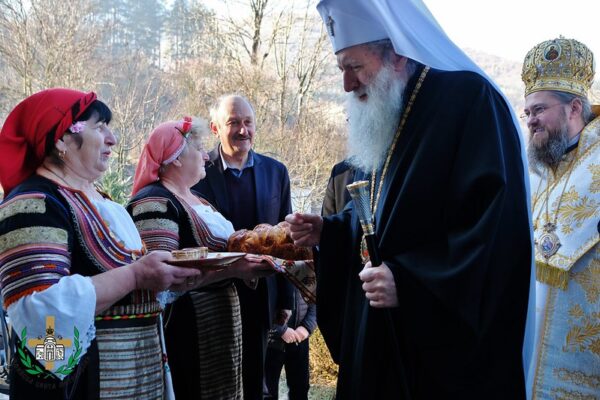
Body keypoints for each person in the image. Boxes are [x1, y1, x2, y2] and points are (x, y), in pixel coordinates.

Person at [286, 0, 533, 398]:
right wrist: (330, 231)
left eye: (354, 66)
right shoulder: (389, 105)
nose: (347, 85)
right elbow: (379, 209)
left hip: (435, 354)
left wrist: (412, 282)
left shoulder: (470, 100)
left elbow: (496, 232)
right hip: (378, 336)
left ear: (397, 54)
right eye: (341, 69)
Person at [0, 88, 202, 399]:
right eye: (99, 127)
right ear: (61, 140)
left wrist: (177, 278)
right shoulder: (33, 204)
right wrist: (135, 275)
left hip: (139, 379)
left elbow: (135, 296)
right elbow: (43, 320)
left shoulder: (104, 204)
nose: (113, 139)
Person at [127, 117, 275, 399]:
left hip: (220, 324)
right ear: (176, 158)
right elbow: (161, 284)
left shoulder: (198, 200)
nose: (206, 156)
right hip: (187, 331)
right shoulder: (154, 202)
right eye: (198, 149)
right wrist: (234, 269)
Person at [192, 94, 294, 400]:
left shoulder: (276, 172)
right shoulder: (197, 171)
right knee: (215, 378)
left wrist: (286, 298)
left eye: (248, 122)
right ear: (215, 128)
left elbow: (286, 239)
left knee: (255, 380)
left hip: (262, 294)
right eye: (233, 122)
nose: (242, 130)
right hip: (212, 293)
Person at [521, 38, 600, 399]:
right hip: (530, 348)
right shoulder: (534, 170)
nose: (531, 121)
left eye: (539, 109)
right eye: (527, 113)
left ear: (574, 107)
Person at [264, 286, 316, 400]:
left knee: (300, 390)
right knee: (267, 391)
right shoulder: (268, 274)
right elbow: (258, 303)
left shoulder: (304, 273)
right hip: (270, 344)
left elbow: (315, 300)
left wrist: (306, 327)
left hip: (299, 340)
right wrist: (280, 330)